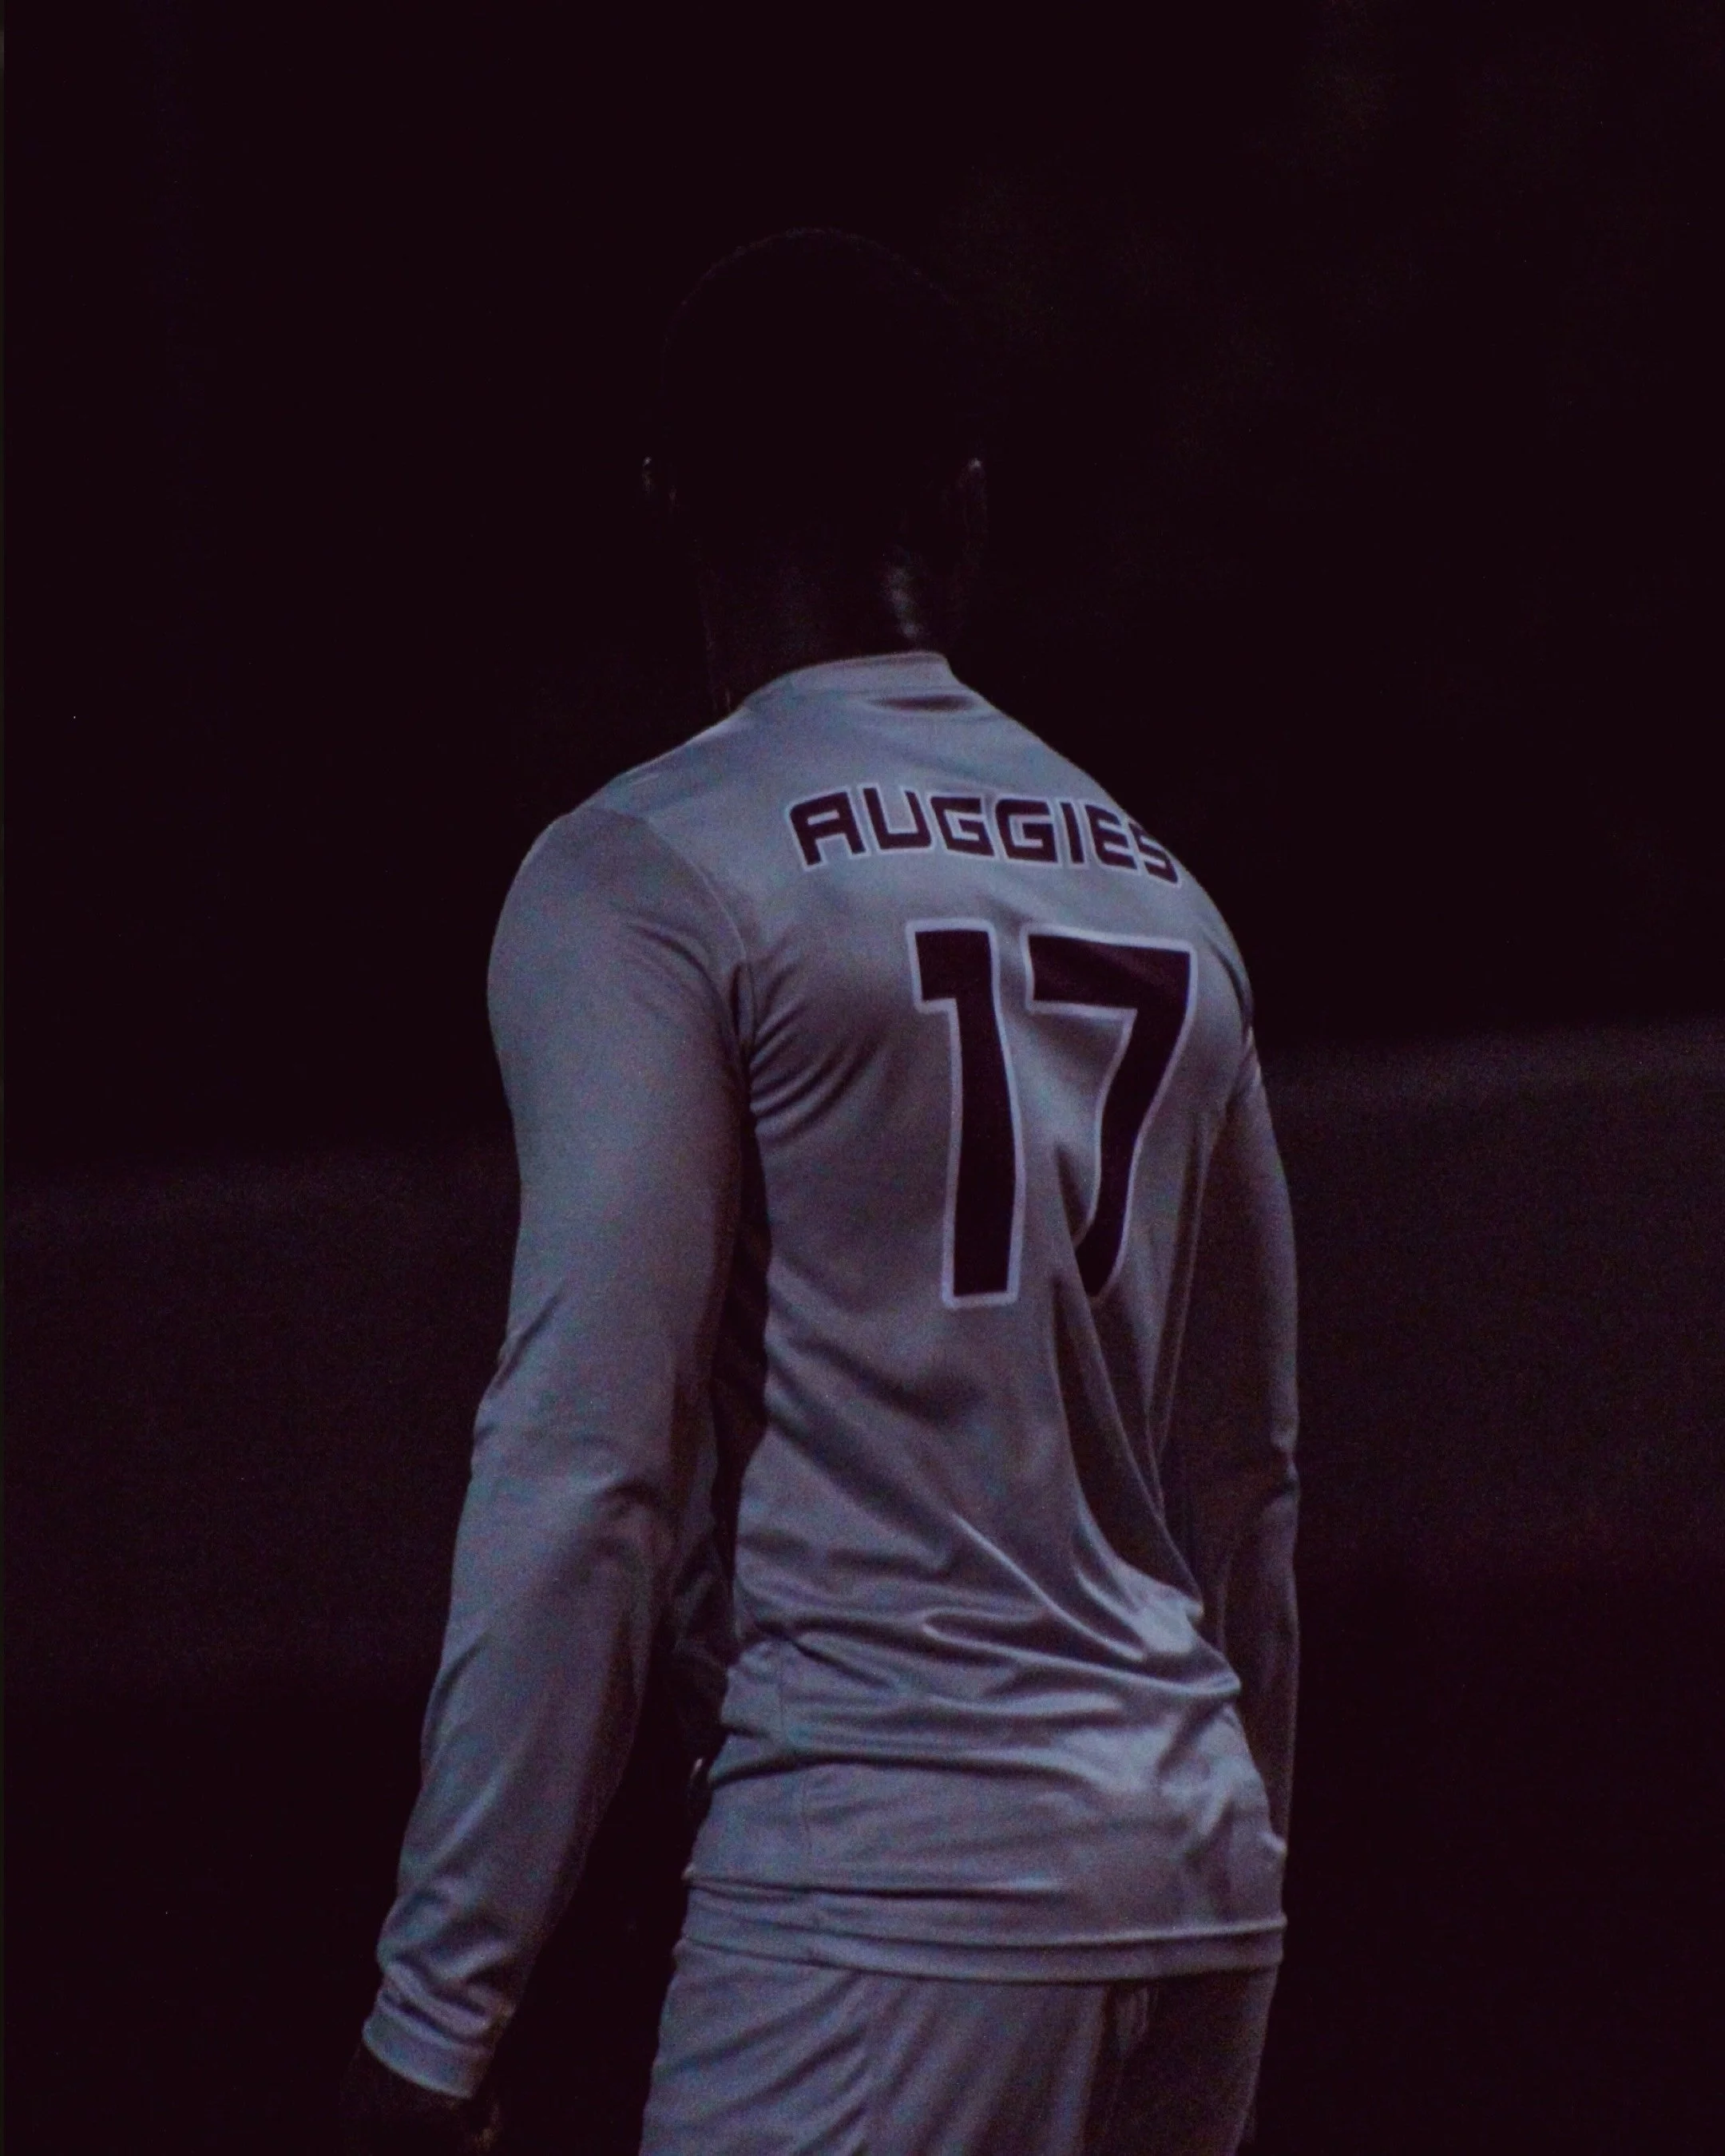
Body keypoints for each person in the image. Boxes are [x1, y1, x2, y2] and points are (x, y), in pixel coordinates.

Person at [339, 229, 1299, 2156]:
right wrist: (1218, 1846)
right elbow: (1246, 1483)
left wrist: (439, 2008)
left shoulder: (652, 869)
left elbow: (589, 1460)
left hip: (880, 1884)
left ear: (666, 502)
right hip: (1193, 1867)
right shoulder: (1160, 892)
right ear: (961, 509)